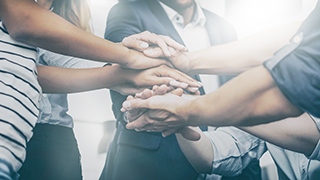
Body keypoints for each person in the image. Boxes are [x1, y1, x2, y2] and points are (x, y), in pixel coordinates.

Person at [0, 0, 199, 179]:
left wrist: (120, 67)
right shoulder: (18, 12)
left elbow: (40, 70)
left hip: (44, 137)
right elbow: (25, 22)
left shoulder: (66, 11)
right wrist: (127, 58)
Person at [100, 0, 261, 179]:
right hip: (154, 164)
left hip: (231, 159)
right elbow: (124, 72)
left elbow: (242, 90)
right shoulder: (128, 10)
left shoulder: (225, 27)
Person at [121, 0, 320, 134]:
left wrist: (189, 108)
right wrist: (189, 61)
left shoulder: (222, 25)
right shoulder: (130, 11)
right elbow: (297, 40)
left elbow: (287, 82)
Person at [133, 85, 320, 179]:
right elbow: (213, 156)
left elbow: (311, 137)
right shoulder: (280, 93)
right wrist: (183, 123)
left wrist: (194, 107)